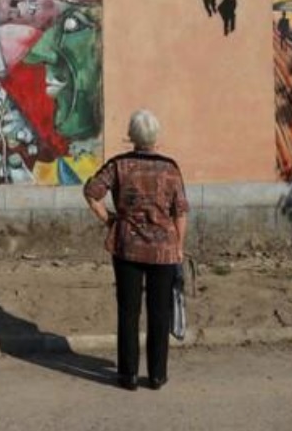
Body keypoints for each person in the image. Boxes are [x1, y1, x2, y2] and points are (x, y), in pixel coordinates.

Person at [83, 109, 188, 391]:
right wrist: (178, 246)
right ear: (157, 136)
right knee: (159, 312)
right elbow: (180, 212)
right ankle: (156, 375)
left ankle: (127, 375)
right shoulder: (170, 168)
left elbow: (92, 192)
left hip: (127, 247)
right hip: (164, 250)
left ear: (131, 136)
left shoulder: (119, 165)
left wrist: (110, 222)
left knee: (128, 312)